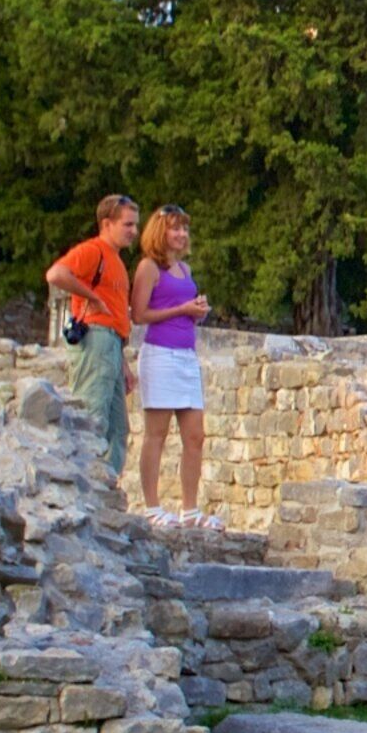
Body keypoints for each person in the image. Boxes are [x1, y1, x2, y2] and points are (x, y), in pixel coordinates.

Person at [43, 194, 138, 473]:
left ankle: (105, 492)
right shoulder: (93, 251)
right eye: (128, 225)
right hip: (96, 338)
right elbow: (56, 274)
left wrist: (123, 364)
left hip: (111, 344)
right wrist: (91, 297)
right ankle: (86, 484)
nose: (134, 231)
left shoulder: (116, 260)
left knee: (118, 428)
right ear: (107, 224)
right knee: (93, 417)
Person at [132, 205, 215, 523]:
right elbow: (139, 315)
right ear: (160, 232)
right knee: (157, 433)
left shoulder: (186, 270)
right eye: (174, 229)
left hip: (185, 355)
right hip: (160, 354)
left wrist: (196, 311)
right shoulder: (149, 267)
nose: (181, 235)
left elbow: (182, 310)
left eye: (184, 229)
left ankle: (190, 509)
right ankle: (152, 507)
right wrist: (181, 308)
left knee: (195, 435)